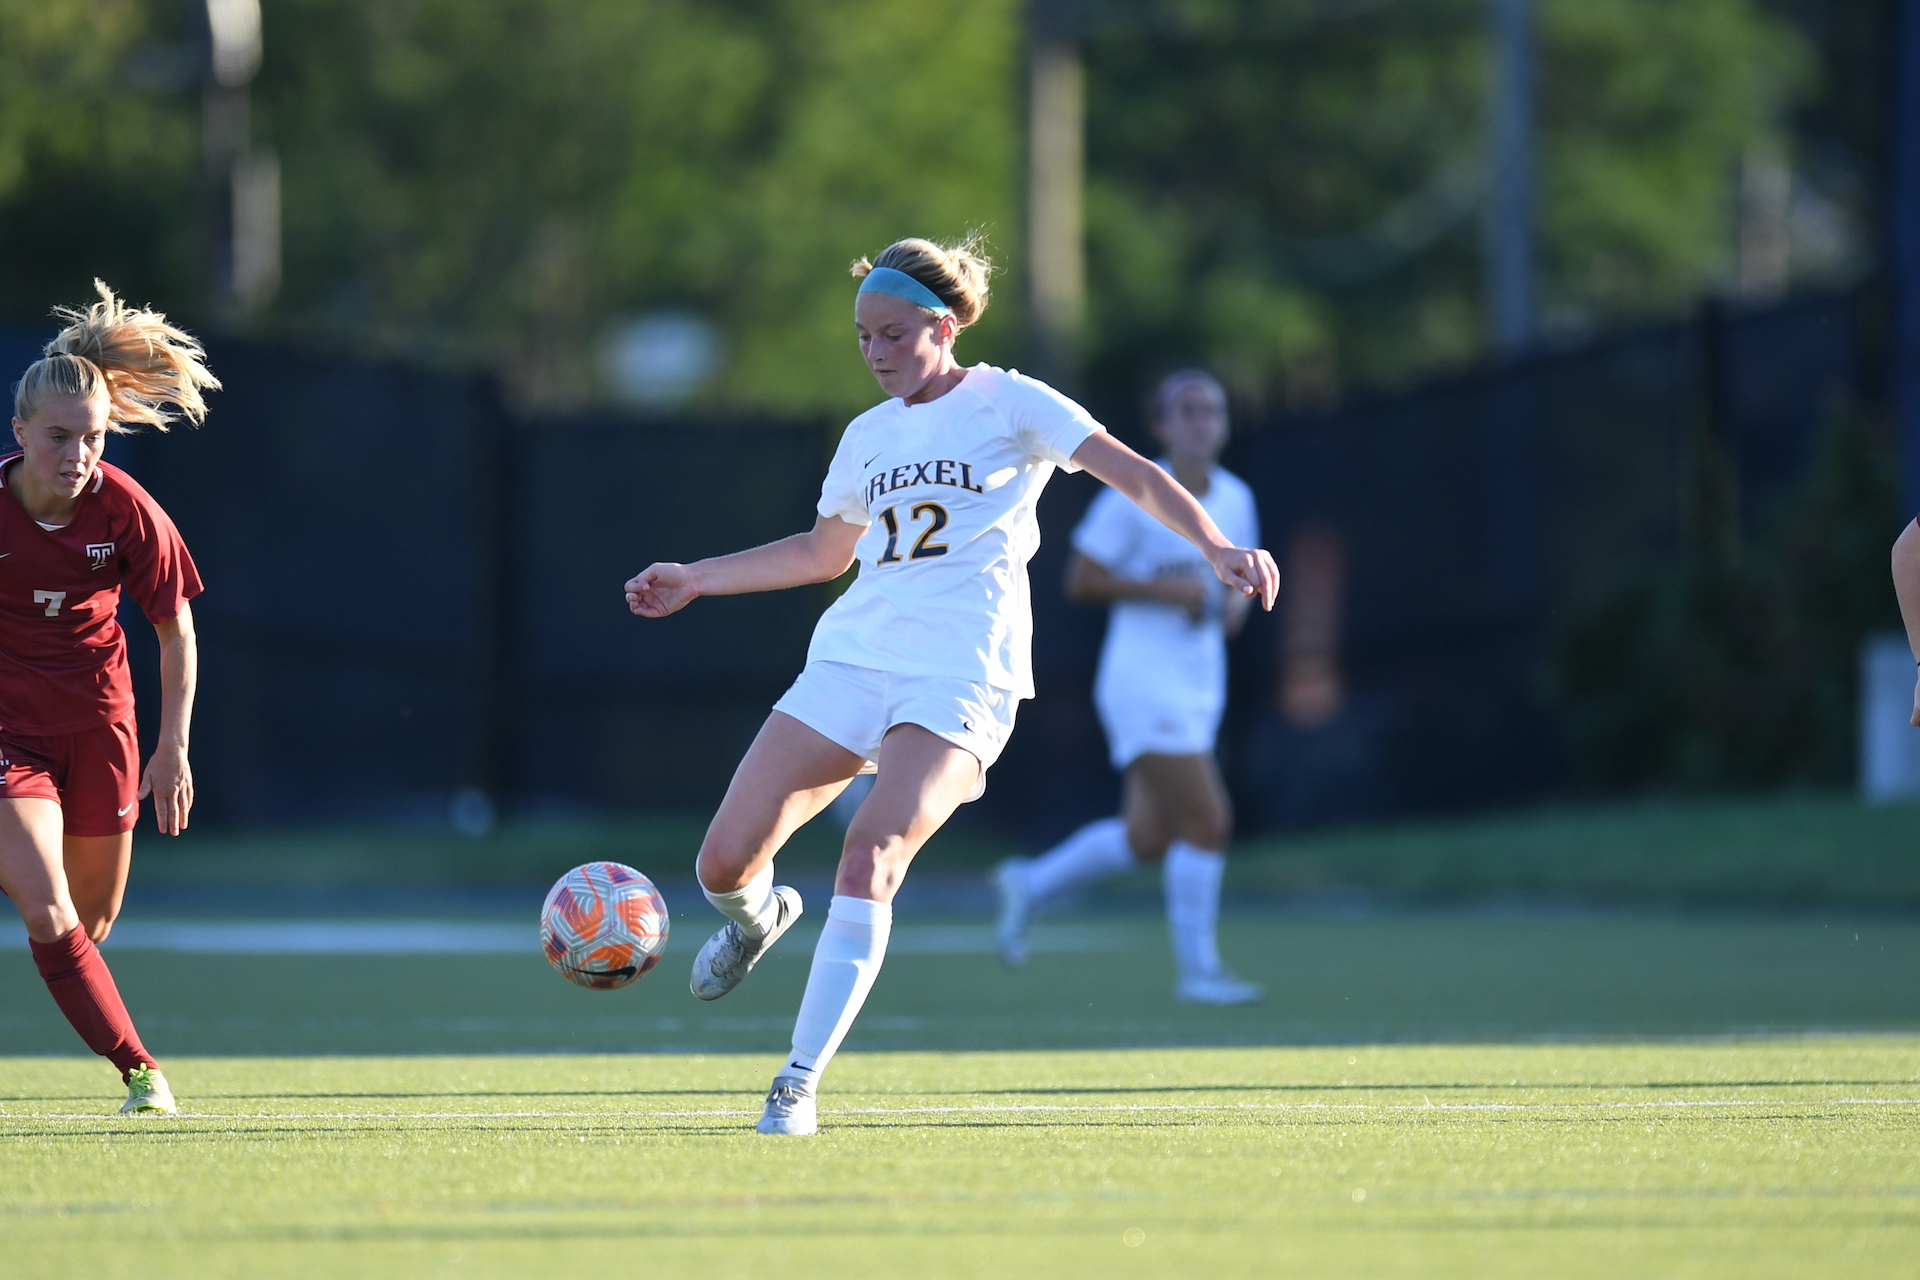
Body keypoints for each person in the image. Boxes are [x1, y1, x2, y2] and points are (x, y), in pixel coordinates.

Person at [625, 238, 1278, 1136]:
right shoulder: (868, 435)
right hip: (853, 659)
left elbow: (1132, 471)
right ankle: (758, 918)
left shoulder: (1012, 402)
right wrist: (698, 576)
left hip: (963, 672)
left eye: (893, 333)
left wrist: (1213, 545)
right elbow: (823, 555)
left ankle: (796, 1082)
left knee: (872, 855)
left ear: (943, 324)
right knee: (721, 864)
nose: (877, 352)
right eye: (863, 338)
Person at [0, 282, 215, 1115]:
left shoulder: (124, 509)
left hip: (102, 728)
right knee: (43, 898)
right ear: (20, 434)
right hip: (11, 733)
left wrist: (171, 749)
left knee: (87, 923)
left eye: (91, 439)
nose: (77, 456)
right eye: (58, 438)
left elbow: (176, 630)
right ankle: (142, 1073)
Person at [992, 370, 1264, 1004]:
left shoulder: (1237, 499)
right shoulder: (1133, 496)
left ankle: (1030, 884)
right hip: (1141, 684)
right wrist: (1163, 589)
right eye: (1187, 410)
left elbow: (1237, 591)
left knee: (1146, 838)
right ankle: (1200, 974)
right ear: (1161, 425)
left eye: (1212, 411)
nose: (1202, 422)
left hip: (1200, 684)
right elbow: (1081, 579)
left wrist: (1233, 606)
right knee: (1209, 819)